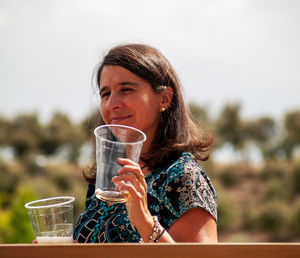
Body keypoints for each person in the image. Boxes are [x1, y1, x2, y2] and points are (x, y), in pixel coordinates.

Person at [73, 43, 218, 243]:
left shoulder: (183, 178)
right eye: (105, 94)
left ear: (165, 99)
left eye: (126, 90)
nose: (112, 103)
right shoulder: (105, 181)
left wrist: (144, 221)